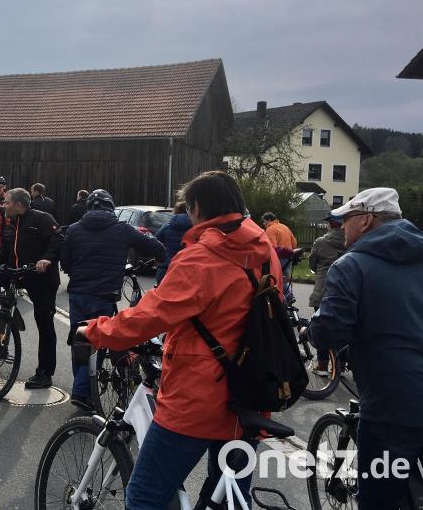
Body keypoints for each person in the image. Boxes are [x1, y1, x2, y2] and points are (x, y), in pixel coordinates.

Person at [78, 170, 282, 509]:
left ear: (198, 208)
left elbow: (150, 316)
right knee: (230, 498)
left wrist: (96, 331)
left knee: (145, 496)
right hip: (252, 391)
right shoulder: (264, 250)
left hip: (200, 399)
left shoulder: (201, 258)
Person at [306, 188, 423, 508]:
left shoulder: (352, 265)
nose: (342, 227)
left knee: (378, 499)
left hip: (393, 405)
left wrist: (313, 331)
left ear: (365, 221)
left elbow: (330, 331)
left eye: (346, 219)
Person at [61, 189, 165, 410]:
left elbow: (66, 264)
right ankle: (87, 388)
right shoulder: (122, 228)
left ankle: (82, 389)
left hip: (78, 293)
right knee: (99, 337)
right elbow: (157, 248)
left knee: (80, 340)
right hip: (104, 294)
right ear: (110, 207)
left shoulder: (74, 229)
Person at [0, 188, 62, 390]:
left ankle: (45, 373)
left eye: (7, 202)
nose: (3, 206)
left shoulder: (41, 218)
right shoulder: (11, 223)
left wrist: (47, 258)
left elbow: (58, 238)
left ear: (19, 205)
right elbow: (6, 253)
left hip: (41, 278)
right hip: (17, 272)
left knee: (44, 322)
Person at [305, 213, 345, 375]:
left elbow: (312, 263)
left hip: (323, 289)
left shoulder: (321, 242)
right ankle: (340, 366)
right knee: (343, 328)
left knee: (322, 327)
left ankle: (322, 364)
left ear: (330, 225)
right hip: (344, 289)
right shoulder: (352, 241)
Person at [153, 201, 193, 285]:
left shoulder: (167, 227)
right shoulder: (194, 228)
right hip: (187, 271)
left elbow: (154, 242)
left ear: (176, 211)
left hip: (165, 269)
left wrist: (158, 257)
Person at [261, 211, 298, 297]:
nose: (263, 224)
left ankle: (286, 298)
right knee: (286, 278)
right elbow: (294, 242)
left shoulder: (270, 229)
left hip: (278, 258)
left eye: (264, 221)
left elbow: (272, 247)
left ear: (269, 220)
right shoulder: (285, 227)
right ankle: (289, 297)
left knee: (278, 279)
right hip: (289, 256)